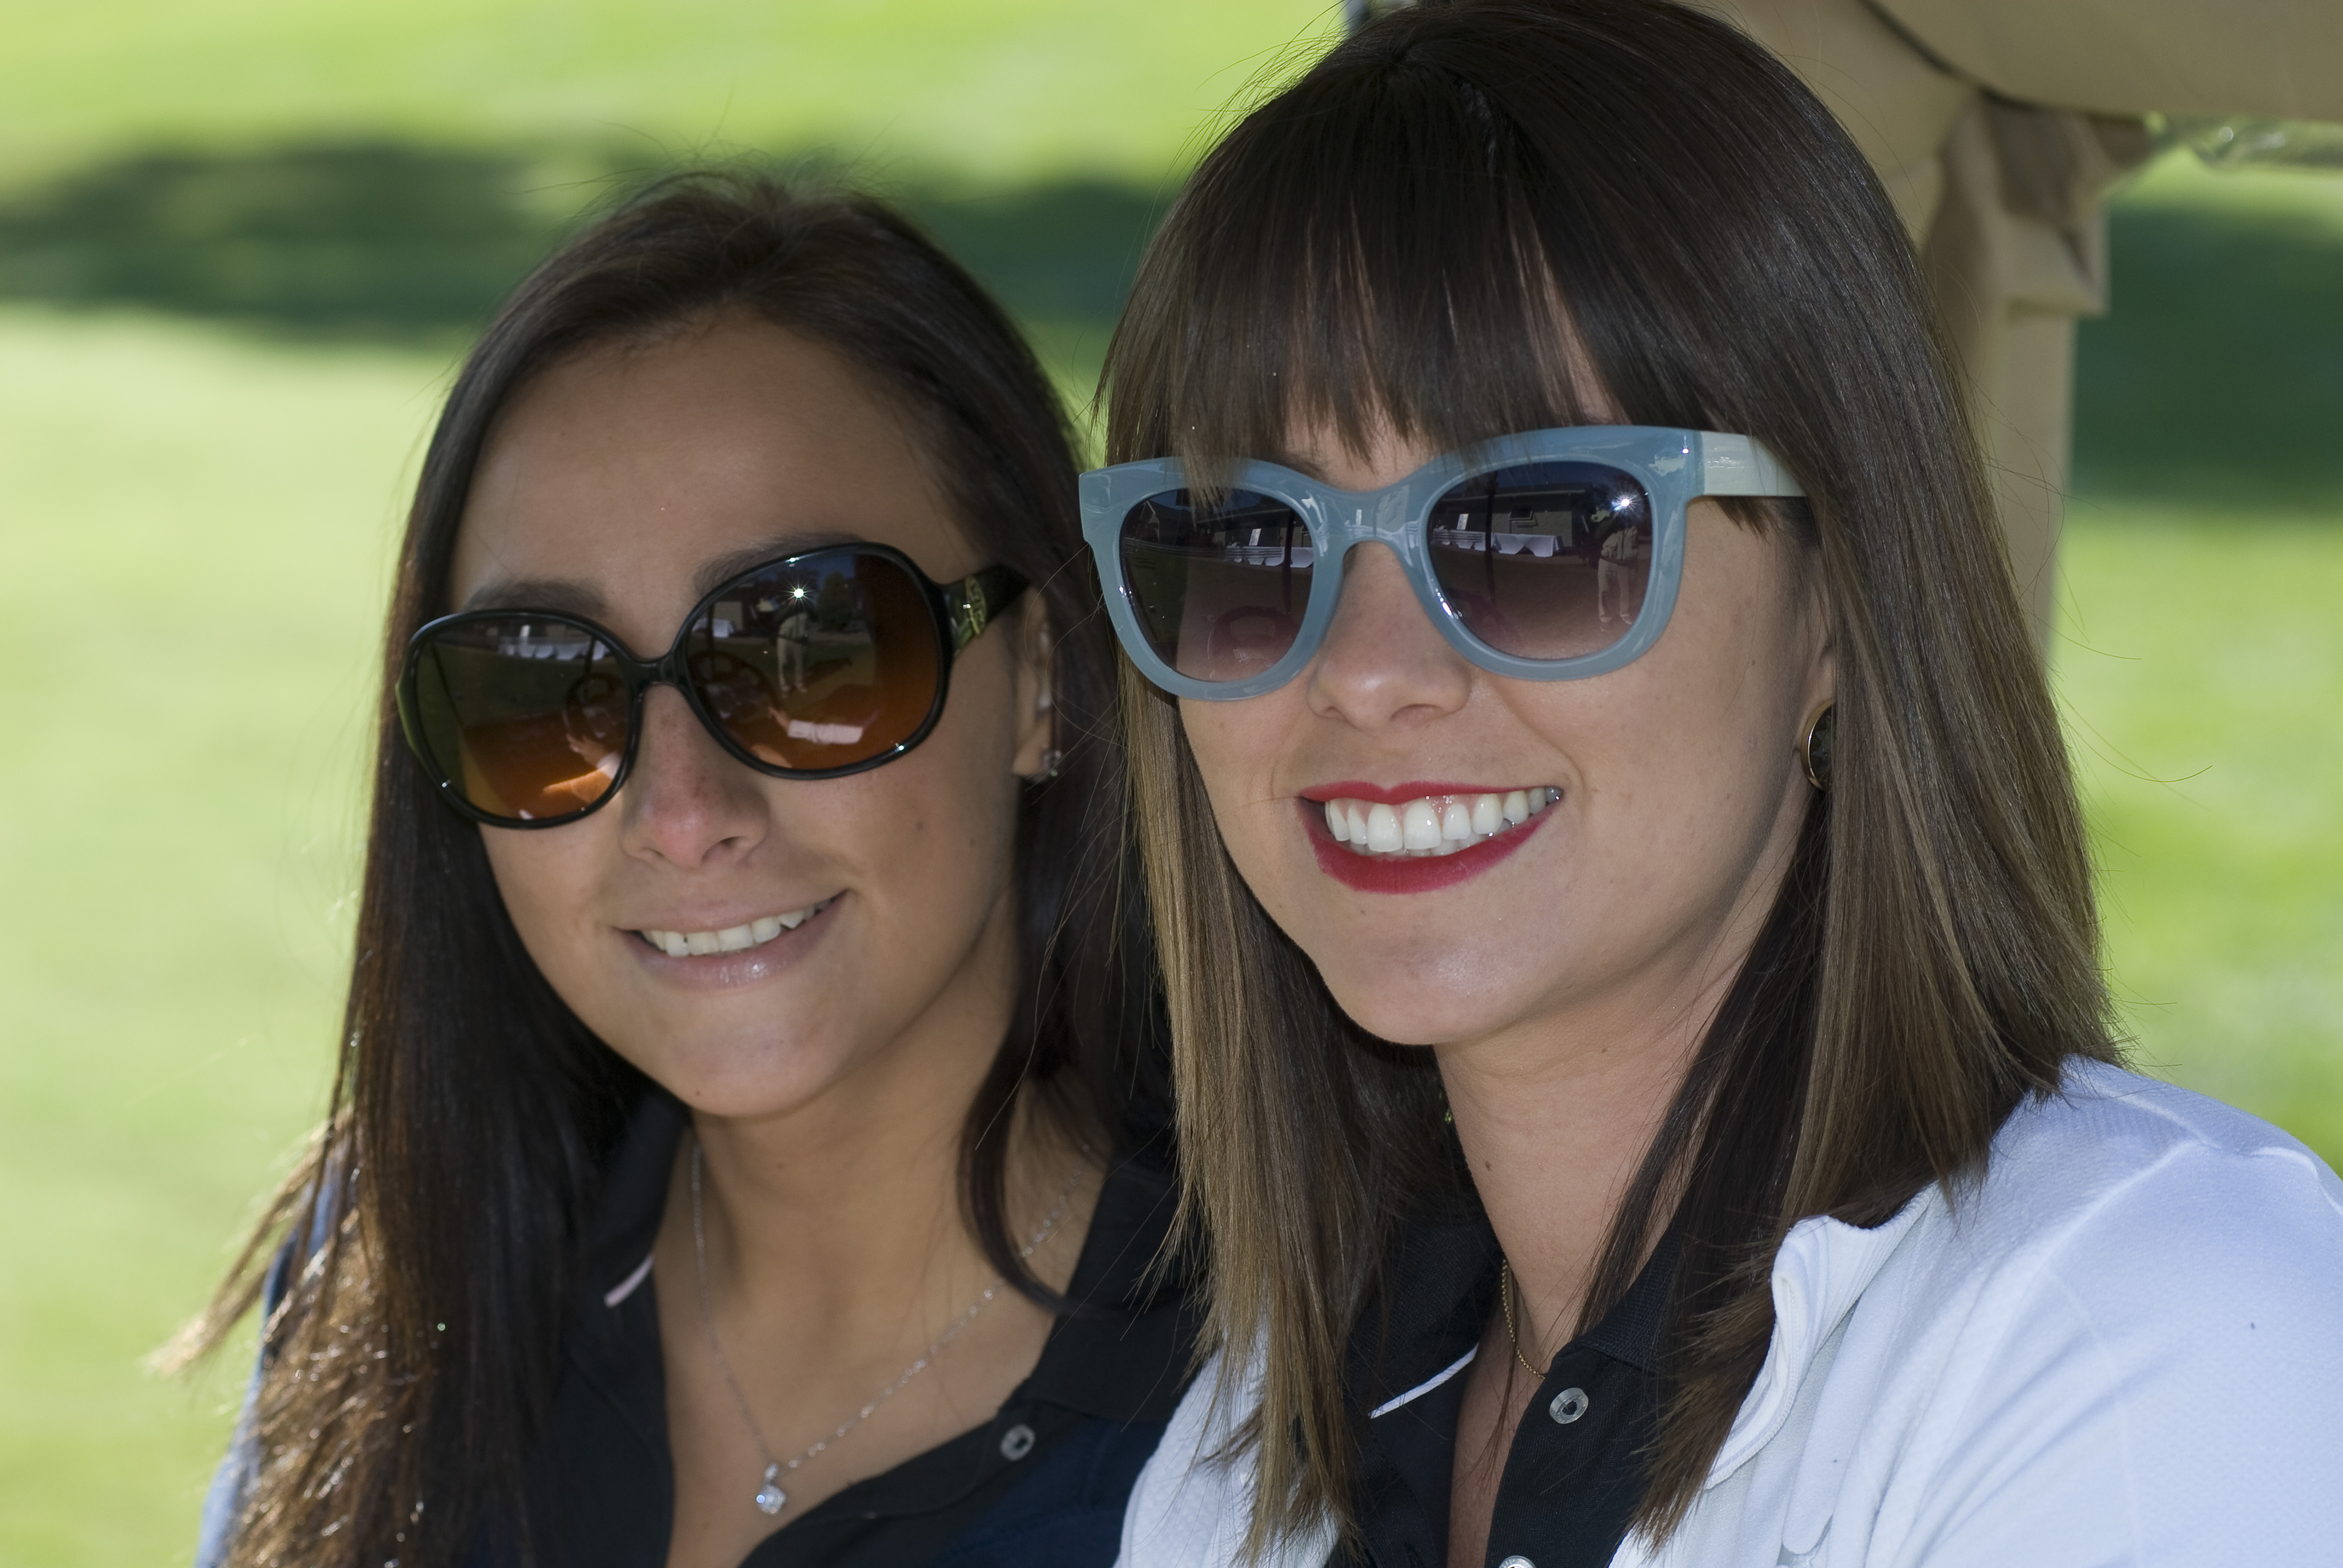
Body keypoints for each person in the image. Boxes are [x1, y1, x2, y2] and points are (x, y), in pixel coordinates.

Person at [1080, 4, 2343, 1565]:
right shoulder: (1243, 1461)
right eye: (1250, 547)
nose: (1368, 670)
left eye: (1543, 534)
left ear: (1837, 604)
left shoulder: (2144, 1340)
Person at [176, 173, 1192, 1568]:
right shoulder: (399, 1274)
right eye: (544, 687)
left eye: (809, 651)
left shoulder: (1292, 1404)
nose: (682, 812)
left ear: (1044, 678)